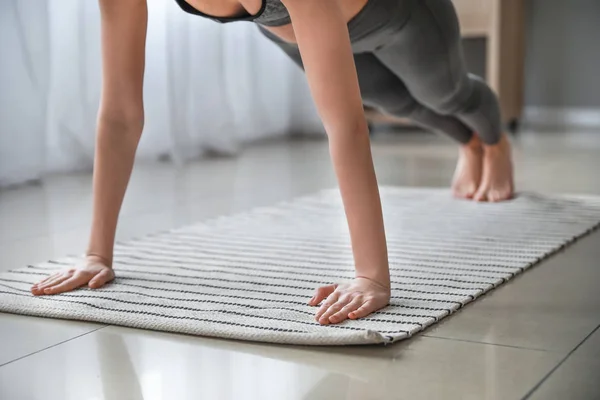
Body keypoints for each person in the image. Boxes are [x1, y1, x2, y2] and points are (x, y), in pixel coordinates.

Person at [31, 0, 514, 325]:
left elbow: (343, 125)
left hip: (399, 15)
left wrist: (371, 275)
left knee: (445, 93)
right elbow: (120, 114)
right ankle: (470, 144)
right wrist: (97, 253)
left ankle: (494, 140)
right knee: (402, 106)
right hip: (297, 32)